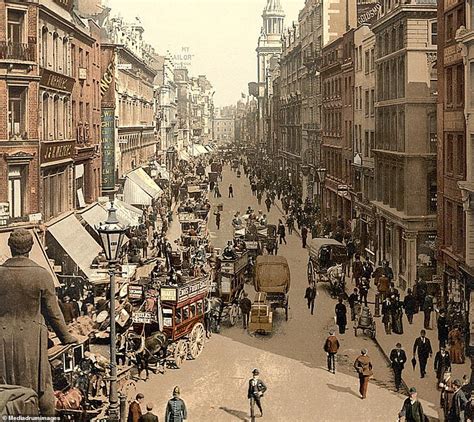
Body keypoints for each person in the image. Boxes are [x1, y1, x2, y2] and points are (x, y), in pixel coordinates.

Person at [0, 229, 78, 415]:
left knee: (5, 384)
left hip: (2, 337)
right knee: (41, 384)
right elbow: (53, 313)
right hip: (32, 340)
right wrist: (66, 337)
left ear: (9, 247)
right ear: (31, 247)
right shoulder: (41, 275)